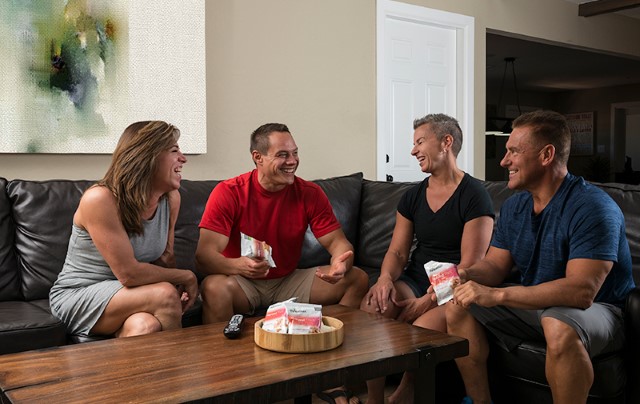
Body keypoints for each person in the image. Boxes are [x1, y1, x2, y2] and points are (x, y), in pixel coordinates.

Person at [446, 110, 636, 404]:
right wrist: (466, 275)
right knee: (458, 306)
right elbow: (496, 266)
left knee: (558, 323)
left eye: (513, 151)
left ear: (547, 155)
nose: (503, 161)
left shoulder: (593, 207)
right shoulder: (514, 207)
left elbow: (581, 291)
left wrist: (497, 296)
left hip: (602, 310)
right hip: (539, 305)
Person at [196, 122, 368, 404]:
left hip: (288, 279)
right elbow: (204, 256)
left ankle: (331, 375)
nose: (293, 162)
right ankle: (227, 381)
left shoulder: (309, 193)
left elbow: (339, 244)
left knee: (357, 278)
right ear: (258, 157)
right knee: (213, 287)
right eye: (283, 155)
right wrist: (241, 266)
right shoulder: (229, 192)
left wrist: (340, 263)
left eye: (295, 153)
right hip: (242, 281)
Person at [360, 113, 495, 404]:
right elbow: (397, 252)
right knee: (373, 305)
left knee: (420, 330)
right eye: (413, 144)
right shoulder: (412, 196)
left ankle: (403, 394)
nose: (412, 151)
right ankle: (374, 399)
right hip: (418, 278)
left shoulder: (474, 195)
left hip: (455, 287)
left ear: (446, 142)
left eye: (420, 141)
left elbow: (470, 265)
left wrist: (428, 300)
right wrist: (384, 279)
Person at [50, 121, 198, 339]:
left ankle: (117, 372)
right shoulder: (100, 199)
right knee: (164, 295)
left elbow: (165, 259)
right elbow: (129, 275)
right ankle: (177, 372)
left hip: (128, 295)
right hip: (80, 294)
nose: (183, 159)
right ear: (147, 156)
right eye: (174, 150)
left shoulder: (170, 199)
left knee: (144, 325)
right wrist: (187, 277)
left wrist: (178, 287)